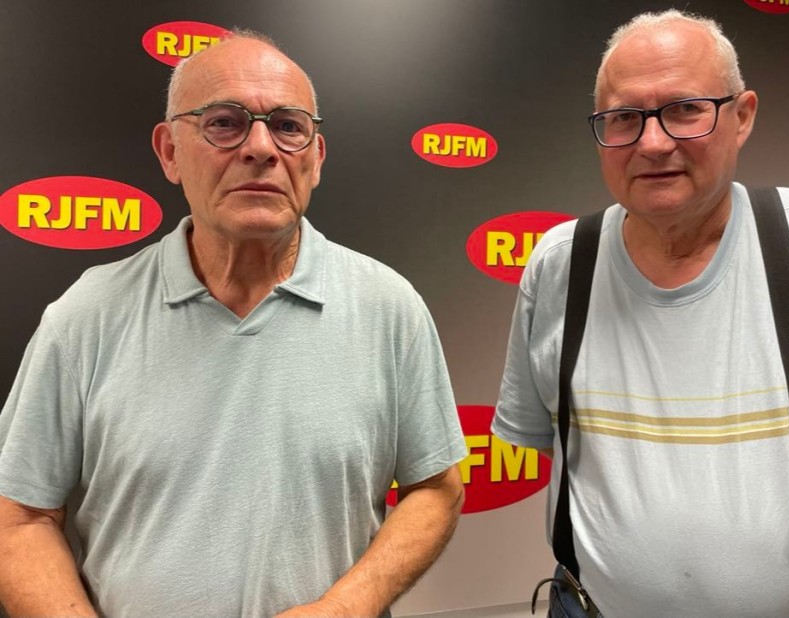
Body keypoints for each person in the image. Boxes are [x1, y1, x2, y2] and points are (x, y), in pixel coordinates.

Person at [0, 31, 466, 617]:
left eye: (289, 126)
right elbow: (19, 517)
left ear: (316, 159)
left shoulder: (389, 308)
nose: (261, 148)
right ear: (170, 151)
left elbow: (437, 489)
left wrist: (348, 607)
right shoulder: (85, 317)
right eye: (224, 123)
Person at [493, 9, 789, 618]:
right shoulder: (560, 265)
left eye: (685, 109)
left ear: (742, 116)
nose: (652, 143)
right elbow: (550, 447)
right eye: (624, 117)